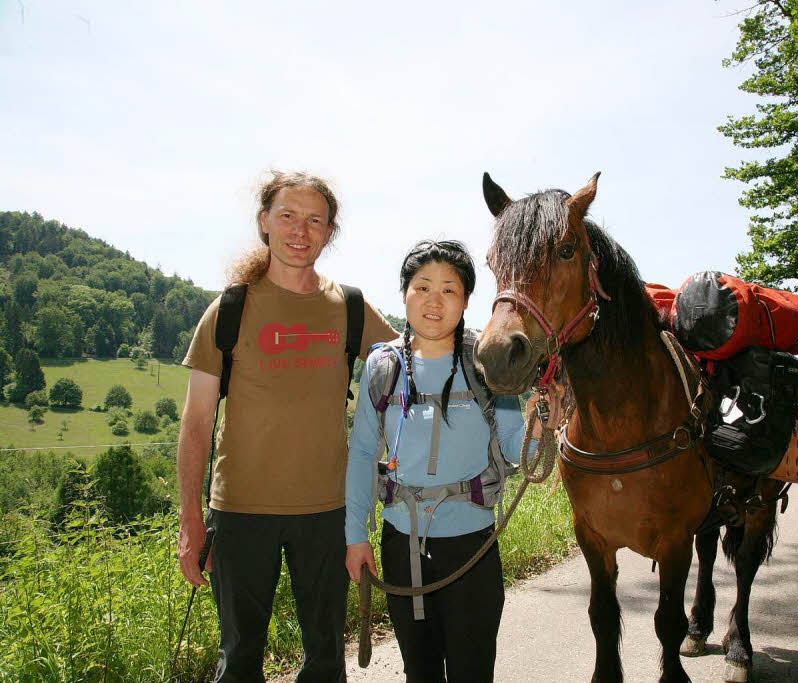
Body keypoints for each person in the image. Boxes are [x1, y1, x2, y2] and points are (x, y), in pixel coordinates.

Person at [176, 171, 397, 682]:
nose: (301, 230)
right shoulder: (228, 310)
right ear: (264, 224)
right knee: (240, 658)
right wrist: (190, 517)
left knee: (325, 659)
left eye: (315, 220)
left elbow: (413, 361)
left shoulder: (352, 308)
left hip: (328, 511)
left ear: (329, 232)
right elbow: (196, 424)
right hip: (238, 512)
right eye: (288, 216)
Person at [345, 240, 556, 683]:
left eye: (449, 290)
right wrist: (355, 537)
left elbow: (522, 451)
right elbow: (364, 452)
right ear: (404, 293)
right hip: (400, 542)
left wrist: (544, 425)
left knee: (472, 670)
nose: (434, 301)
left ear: (465, 301)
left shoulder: (485, 363)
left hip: (472, 548)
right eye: (422, 287)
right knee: (419, 671)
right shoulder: (384, 365)